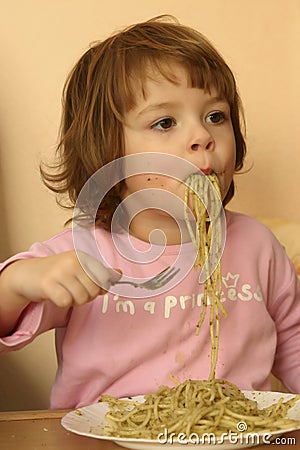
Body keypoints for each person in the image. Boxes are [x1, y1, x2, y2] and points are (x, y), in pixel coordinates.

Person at [0, 15, 299, 410]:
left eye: (215, 116)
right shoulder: (86, 252)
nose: (203, 137)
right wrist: (20, 282)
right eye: (164, 122)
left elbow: (293, 343)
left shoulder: (258, 247)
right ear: (109, 153)